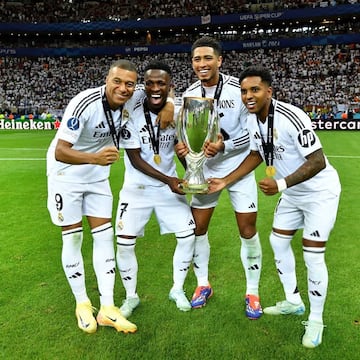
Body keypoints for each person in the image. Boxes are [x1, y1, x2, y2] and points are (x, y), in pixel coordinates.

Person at [208, 65, 341, 348]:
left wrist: (280, 185)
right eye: (244, 91)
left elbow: (317, 161)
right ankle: (293, 301)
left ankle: (316, 320)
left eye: (254, 90)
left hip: (319, 193)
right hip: (292, 194)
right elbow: (257, 154)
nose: (248, 96)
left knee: (313, 255)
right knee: (278, 243)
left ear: (269, 91)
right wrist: (225, 181)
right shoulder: (254, 120)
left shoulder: (292, 116)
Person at [46, 59, 174, 334]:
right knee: (74, 236)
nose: (123, 88)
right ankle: (82, 303)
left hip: (97, 175)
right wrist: (94, 157)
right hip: (66, 173)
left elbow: (162, 92)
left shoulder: (134, 95)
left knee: (104, 237)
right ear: (107, 80)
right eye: (117, 81)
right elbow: (60, 150)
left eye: (130, 84)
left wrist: (171, 104)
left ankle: (107, 308)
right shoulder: (85, 102)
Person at [175, 36, 263, 319]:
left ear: (220, 60)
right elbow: (185, 135)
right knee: (197, 229)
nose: (202, 64)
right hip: (205, 171)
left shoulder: (239, 90)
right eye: (197, 59)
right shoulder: (188, 95)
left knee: (247, 229)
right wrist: (186, 151)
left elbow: (254, 134)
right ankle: (203, 285)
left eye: (208, 58)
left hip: (237, 169)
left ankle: (252, 291)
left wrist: (225, 144)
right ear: (192, 63)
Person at [115, 61, 196, 317]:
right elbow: (135, 159)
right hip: (137, 188)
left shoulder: (180, 109)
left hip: (167, 189)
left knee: (188, 236)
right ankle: (131, 297)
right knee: (125, 244)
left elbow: (182, 149)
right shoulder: (131, 109)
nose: (155, 88)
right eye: (149, 83)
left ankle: (177, 289)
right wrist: (170, 180)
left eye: (161, 83)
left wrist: (191, 173)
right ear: (143, 85)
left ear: (170, 86)